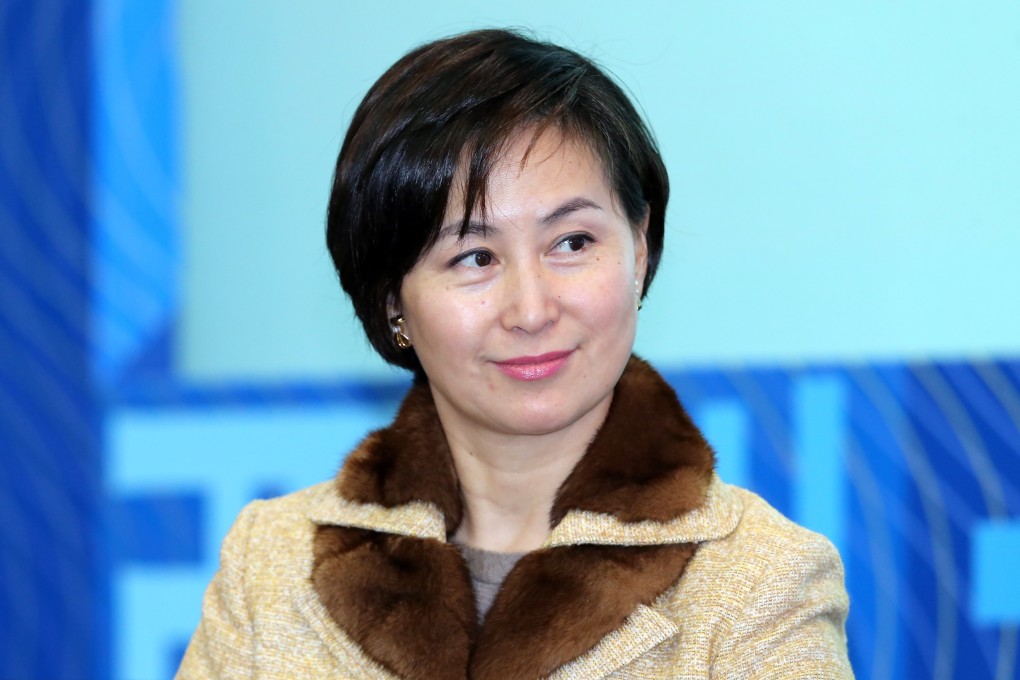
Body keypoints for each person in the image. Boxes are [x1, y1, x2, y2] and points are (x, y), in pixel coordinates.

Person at [178, 29, 852, 679]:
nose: (531, 310)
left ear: (640, 251)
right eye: (474, 257)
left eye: (574, 243)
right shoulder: (271, 561)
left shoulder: (763, 578)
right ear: (393, 302)